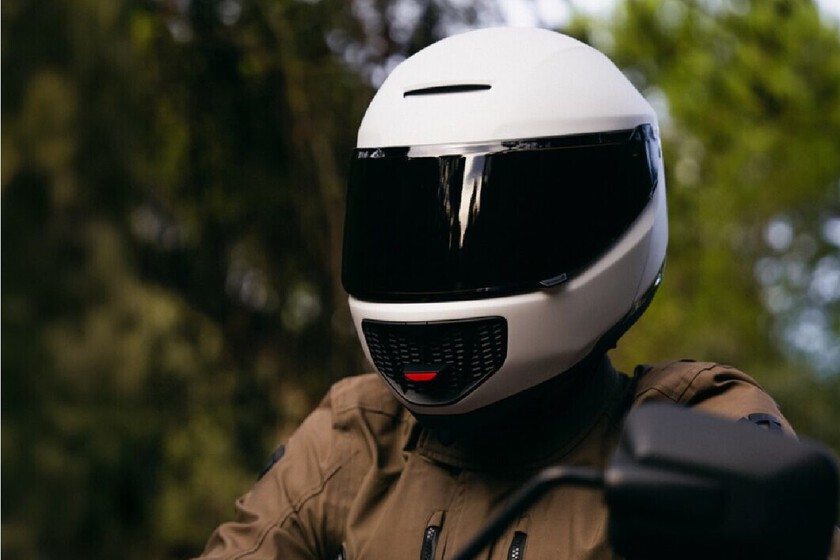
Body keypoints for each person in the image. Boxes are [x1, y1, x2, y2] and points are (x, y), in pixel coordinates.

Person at [196, 27, 837, 559]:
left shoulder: (692, 426)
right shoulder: (356, 437)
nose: (436, 278)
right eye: (408, 234)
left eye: (494, 232)